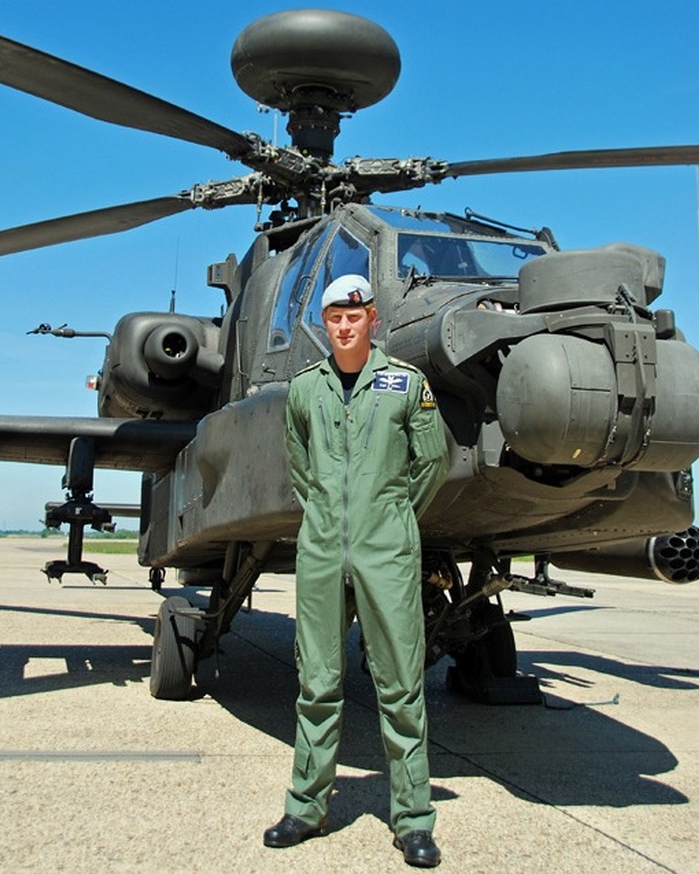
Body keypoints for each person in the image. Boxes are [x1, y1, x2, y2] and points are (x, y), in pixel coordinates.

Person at [264, 274, 450, 867]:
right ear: (325, 324)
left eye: (355, 316)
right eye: (334, 318)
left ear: (372, 318)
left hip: (386, 552)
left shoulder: (406, 384)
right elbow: (299, 463)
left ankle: (413, 820)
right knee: (317, 683)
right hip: (320, 550)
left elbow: (434, 461)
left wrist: (391, 517)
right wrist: (328, 516)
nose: (344, 326)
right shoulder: (303, 390)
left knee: (400, 687)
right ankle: (306, 808)